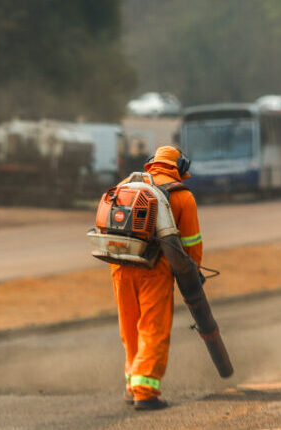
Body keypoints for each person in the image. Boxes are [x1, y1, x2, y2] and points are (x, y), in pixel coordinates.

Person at [111, 145, 202, 411]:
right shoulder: (182, 196)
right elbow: (191, 244)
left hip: (120, 265)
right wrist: (193, 273)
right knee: (153, 328)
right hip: (154, 270)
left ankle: (132, 385)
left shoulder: (125, 184)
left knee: (129, 328)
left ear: (152, 162)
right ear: (180, 167)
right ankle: (145, 392)